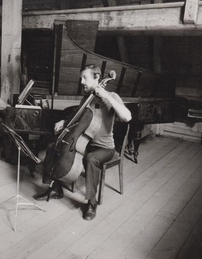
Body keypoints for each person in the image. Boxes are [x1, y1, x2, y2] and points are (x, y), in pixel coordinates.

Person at [34, 64, 132, 221]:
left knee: (91, 159)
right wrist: (64, 120)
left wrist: (106, 96)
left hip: (104, 148)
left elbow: (127, 117)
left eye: (84, 78)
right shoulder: (87, 98)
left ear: (97, 78)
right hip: (85, 143)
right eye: (81, 78)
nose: (81, 82)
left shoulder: (112, 96)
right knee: (54, 147)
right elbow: (77, 117)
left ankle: (91, 203)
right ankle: (55, 188)